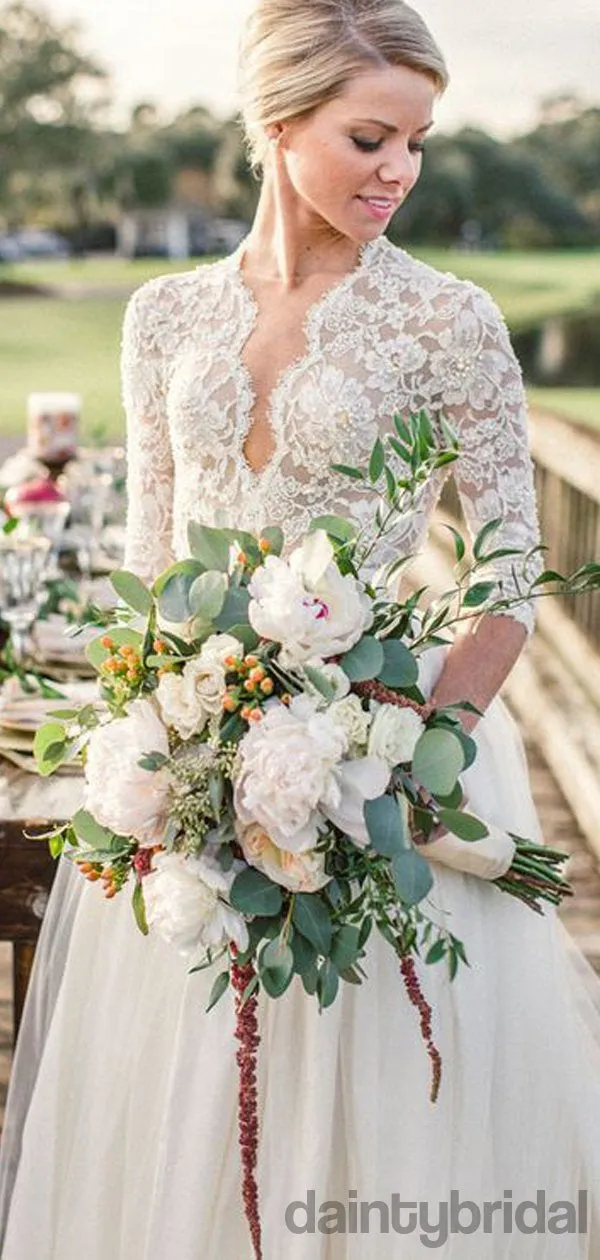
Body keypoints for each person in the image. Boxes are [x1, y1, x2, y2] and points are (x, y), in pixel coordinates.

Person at [2, 1, 600, 1256]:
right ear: (279, 125)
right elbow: (151, 559)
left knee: (390, 1105)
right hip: (200, 757)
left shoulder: (450, 321)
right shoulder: (163, 316)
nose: (402, 173)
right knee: (188, 1107)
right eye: (371, 138)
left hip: (398, 756)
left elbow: (505, 579)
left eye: (420, 143)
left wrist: (413, 744)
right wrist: (164, 735)